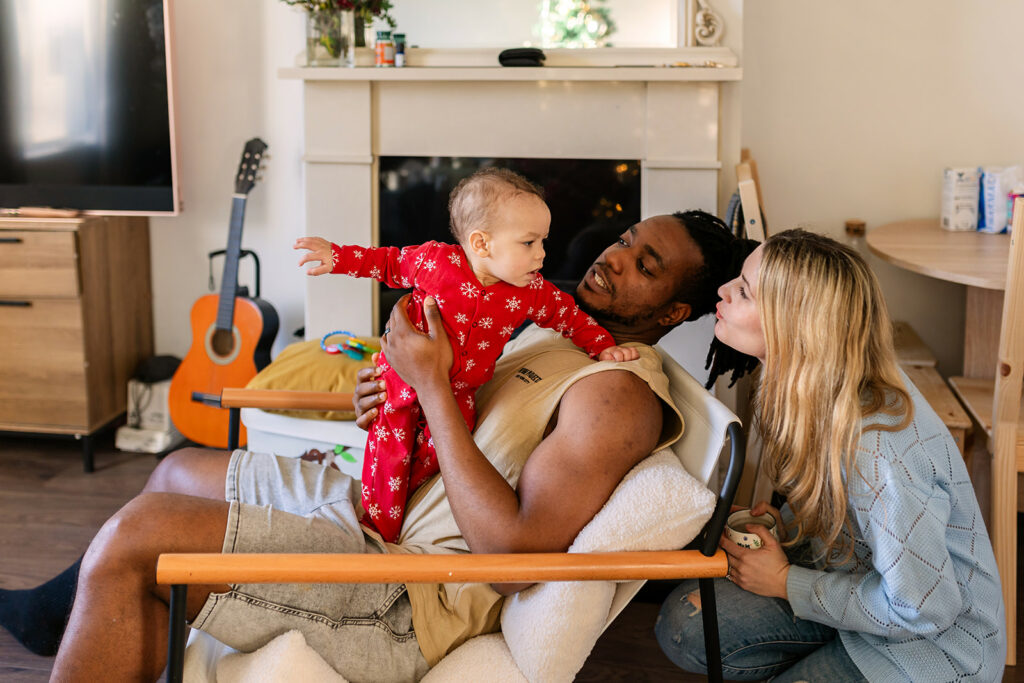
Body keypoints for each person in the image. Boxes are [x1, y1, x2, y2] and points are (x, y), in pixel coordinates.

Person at [3, 210, 756, 682]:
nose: (614, 258)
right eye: (626, 241)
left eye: (644, 265)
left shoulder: (618, 396)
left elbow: (511, 556)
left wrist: (432, 389)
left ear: (676, 310)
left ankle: (70, 610)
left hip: (403, 598)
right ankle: (71, 617)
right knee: (173, 468)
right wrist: (394, 400)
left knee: (142, 534)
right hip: (376, 517)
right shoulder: (558, 333)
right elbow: (470, 429)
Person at [654, 229, 1006, 682]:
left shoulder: (879, 451)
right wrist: (797, 532)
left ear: (794, 326)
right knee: (685, 626)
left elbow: (924, 609)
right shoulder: (822, 387)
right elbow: (862, 527)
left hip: (930, 653)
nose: (722, 290)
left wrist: (785, 582)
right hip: (859, 588)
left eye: (743, 290)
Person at [294, 167, 638, 542]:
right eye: (529, 243)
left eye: (543, 241)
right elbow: (389, 263)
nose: (542, 254)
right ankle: (375, 536)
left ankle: (409, 525)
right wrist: (339, 257)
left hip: (457, 398)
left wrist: (603, 346)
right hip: (398, 384)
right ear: (481, 244)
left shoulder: (532, 291)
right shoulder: (436, 262)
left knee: (434, 466)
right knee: (388, 463)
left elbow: (569, 317)